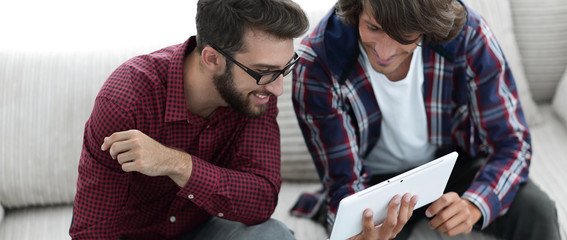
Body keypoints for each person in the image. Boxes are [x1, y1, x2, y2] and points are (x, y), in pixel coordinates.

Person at [290, 0, 561, 239]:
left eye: (402, 35)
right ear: (357, 9)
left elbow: (511, 142)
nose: (383, 53)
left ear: (426, 26)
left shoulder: (469, 35)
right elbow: (342, 181)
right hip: (371, 186)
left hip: (452, 167)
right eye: (373, 28)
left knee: (537, 210)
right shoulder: (318, 62)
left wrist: (475, 204)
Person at [69, 0, 309, 239]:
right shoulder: (127, 100)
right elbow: (92, 231)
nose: (278, 89)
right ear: (212, 59)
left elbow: (261, 199)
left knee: (271, 235)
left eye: (283, 69)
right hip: (134, 236)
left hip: (203, 229)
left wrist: (178, 165)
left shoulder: (257, 94)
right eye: (265, 71)